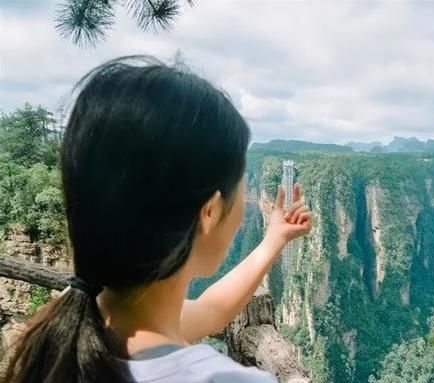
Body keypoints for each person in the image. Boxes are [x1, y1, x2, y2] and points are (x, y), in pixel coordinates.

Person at [4, 56, 312, 383]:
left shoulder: (70, 324)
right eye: (242, 187)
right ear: (209, 211)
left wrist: (274, 238)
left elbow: (211, 310)